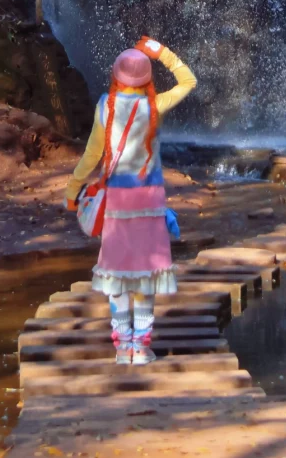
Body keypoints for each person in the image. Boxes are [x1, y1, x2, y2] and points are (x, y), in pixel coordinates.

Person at [65, 35, 196, 364]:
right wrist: (161, 51)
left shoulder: (105, 107)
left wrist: (73, 189)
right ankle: (141, 346)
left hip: (118, 204)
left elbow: (92, 154)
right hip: (150, 203)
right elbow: (189, 81)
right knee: (146, 273)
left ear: (115, 75)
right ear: (147, 78)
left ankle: (123, 347)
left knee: (119, 273)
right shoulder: (154, 106)